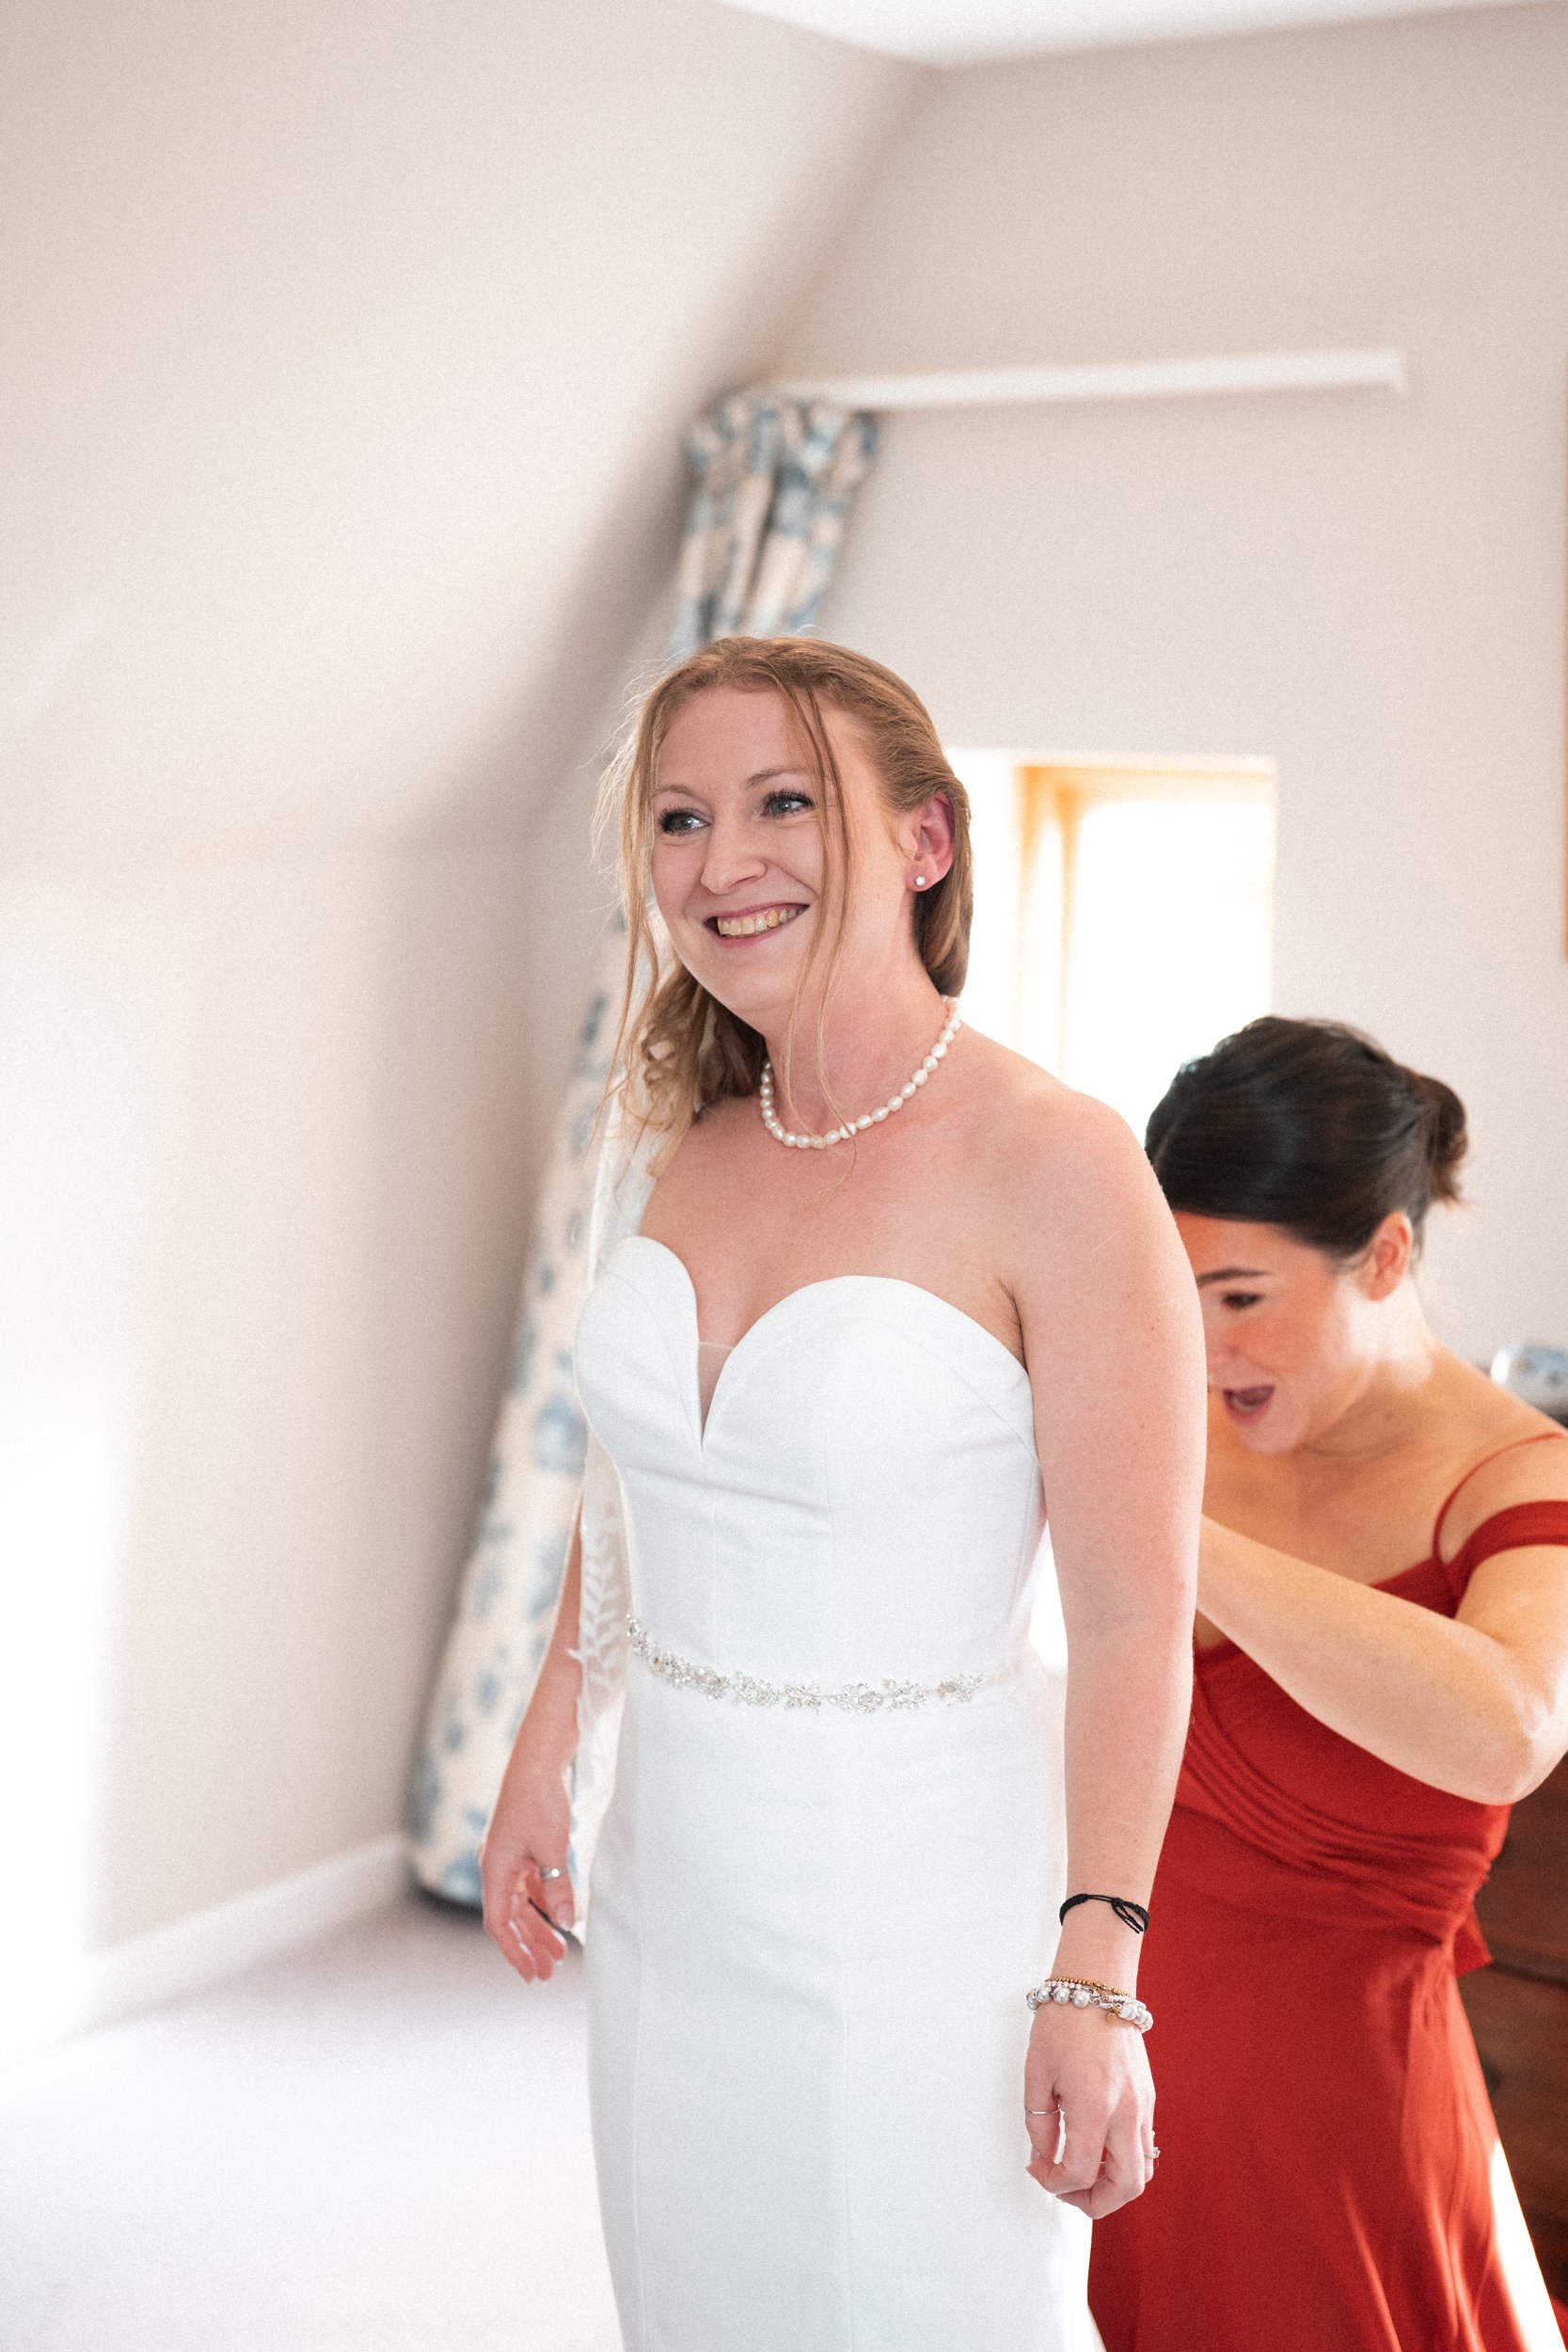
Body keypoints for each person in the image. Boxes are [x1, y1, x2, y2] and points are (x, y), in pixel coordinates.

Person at [479, 635, 1204, 2352]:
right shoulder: (678, 1135)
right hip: (673, 1886)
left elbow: (1131, 1618)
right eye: (678, 819)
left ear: (927, 839)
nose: (722, 861)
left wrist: (1098, 1972)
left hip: (923, 1911)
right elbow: (639, 1483)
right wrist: (551, 1731)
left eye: (783, 804)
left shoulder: (1061, 1163)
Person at [1089, 1015, 1568, 2352]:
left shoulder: (1518, 1476)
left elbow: (1511, 1729)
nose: (1202, 1345)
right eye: (1176, 1294)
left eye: (1242, 1298)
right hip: (1095, 2069)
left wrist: (1168, 1535)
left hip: (1331, 2136)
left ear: (1388, 1256)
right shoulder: (1167, 1408)